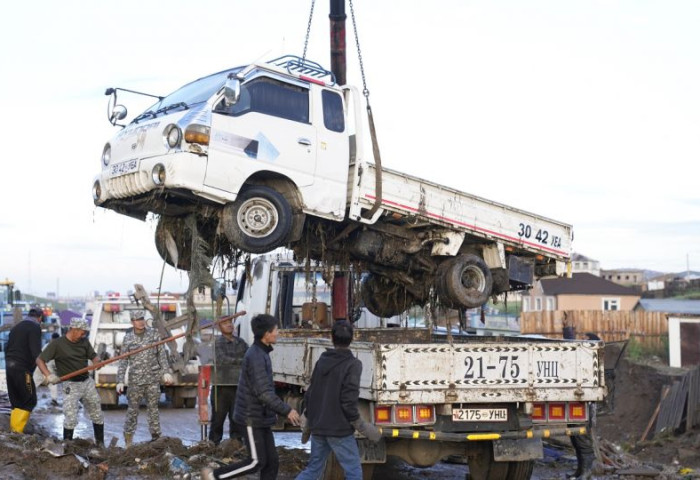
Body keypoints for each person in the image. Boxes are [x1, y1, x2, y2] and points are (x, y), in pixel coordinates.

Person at [201, 314, 301, 480]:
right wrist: (287, 410)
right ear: (266, 334)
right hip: (250, 418)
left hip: (260, 417)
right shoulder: (255, 356)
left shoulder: (260, 352)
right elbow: (263, 392)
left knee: (272, 462)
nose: (278, 333)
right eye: (276, 330)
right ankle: (213, 476)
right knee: (256, 462)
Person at [295, 320, 381, 480]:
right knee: (354, 472)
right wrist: (363, 427)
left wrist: (309, 421)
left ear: (332, 338)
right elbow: (348, 402)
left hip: (319, 427)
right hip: (339, 429)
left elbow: (311, 393)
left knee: (313, 470)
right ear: (352, 338)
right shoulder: (353, 364)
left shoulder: (322, 361)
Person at [36, 317, 105, 446]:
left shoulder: (84, 342)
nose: (83, 334)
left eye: (84, 332)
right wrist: (49, 376)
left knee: (97, 413)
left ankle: (100, 444)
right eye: (82, 332)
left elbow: (93, 356)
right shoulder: (58, 344)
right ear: (73, 329)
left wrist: (97, 362)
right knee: (71, 417)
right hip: (70, 384)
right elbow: (40, 360)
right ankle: (67, 445)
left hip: (86, 382)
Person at [116, 309, 174, 448]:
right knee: (132, 411)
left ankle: (156, 438)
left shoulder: (154, 335)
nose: (141, 322)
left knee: (153, 410)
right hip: (135, 381)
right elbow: (123, 361)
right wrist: (119, 380)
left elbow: (161, 355)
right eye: (137, 320)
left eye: (142, 319)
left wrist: (166, 372)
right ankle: (128, 440)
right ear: (132, 322)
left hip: (153, 379)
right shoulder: (128, 338)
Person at [563, 328, 599, 479]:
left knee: (582, 436)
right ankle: (581, 470)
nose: (582, 342)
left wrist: (569, 335)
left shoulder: (590, 358)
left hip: (585, 402)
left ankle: (586, 471)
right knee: (576, 437)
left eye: (585, 340)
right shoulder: (587, 357)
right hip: (579, 400)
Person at [208, 314, 248, 445]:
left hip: (238, 386)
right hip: (221, 386)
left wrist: (240, 362)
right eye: (225, 323)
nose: (229, 325)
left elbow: (249, 357)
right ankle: (214, 443)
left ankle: (236, 443)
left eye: (230, 322)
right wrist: (241, 362)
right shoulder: (217, 343)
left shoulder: (240, 342)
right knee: (218, 418)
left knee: (236, 417)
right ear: (220, 327)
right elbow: (222, 360)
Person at [5, 307, 44, 433]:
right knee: (29, 400)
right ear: (40, 318)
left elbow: (7, 347)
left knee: (16, 400)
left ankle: (14, 431)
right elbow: (36, 353)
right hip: (22, 368)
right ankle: (17, 431)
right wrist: (47, 374)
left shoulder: (16, 328)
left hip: (9, 366)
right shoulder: (34, 327)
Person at [33, 332, 62, 407]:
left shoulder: (48, 345)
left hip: (42, 367)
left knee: (35, 384)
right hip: (44, 367)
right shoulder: (55, 346)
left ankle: (54, 400)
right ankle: (54, 400)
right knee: (36, 383)